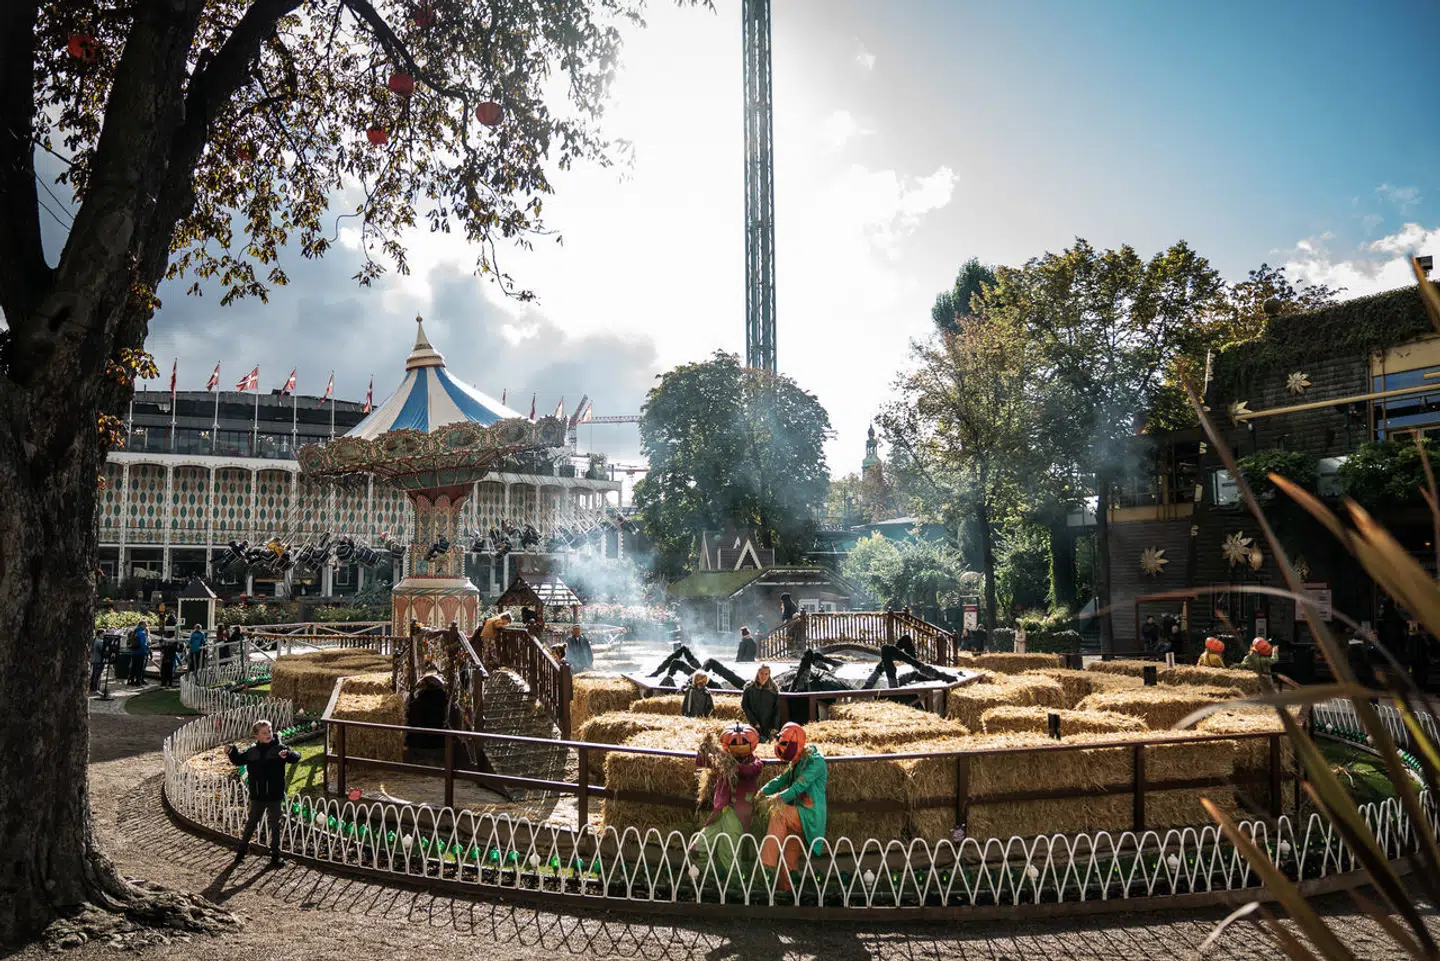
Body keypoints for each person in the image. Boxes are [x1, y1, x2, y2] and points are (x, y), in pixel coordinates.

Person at [759, 722, 828, 892]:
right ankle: (787, 892)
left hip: (810, 815)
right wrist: (761, 793)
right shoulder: (799, 760)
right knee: (788, 860)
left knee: (779, 811)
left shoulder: (815, 762)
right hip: (797, 814)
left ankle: (766, 865)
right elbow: (781, 780)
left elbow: (798, 787)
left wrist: (777, 798)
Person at [692, 723, 764, 883]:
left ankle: (734, 887)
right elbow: (701, 762)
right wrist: (705, 748)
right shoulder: (723, 760)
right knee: (697, 850)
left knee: (728, 855)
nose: (738, 744)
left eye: (743, 741)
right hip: (719, 812)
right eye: (733, 742)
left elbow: (747, 771)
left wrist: (727, 762)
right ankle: (712, 876)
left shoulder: (756, 763)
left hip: (737, 814)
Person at [228, 719, 301, 867]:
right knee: (251, 824)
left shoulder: (279, 748)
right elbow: (238, 760)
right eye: (264, 732)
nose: (268, 734)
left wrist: (288, 754)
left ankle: (276, 856)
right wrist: (231, 750)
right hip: (258, 796)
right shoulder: (252, 751)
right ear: (257, 736)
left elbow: (296, 757)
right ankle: (241, 854)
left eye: (269, 731)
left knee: (275, 826)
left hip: (275, 795)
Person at [741, 665, 782, 741]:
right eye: (761, 673)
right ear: (757, 673)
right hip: (754, 724)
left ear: (769, 675)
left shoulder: (773, 691)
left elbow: (777, 709)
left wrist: (775, 727)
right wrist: (754, 722)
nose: (764, 676)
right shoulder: (749, 689)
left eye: (766, 674)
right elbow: (745, 706)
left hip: (769, 725)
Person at [90, 629, 107, 694]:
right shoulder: (99, 641)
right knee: (97, 675)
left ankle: (93, 687)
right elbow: (103, 650)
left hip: (94, 659)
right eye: (103, 634)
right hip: (99, 660)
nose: (104, 635)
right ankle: (95, 688)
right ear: (100, 634)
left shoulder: (95, 640)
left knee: (94, 674)